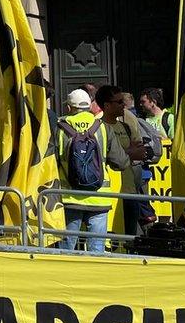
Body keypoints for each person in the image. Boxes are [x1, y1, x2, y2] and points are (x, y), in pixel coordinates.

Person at [56, 89, 135, 252]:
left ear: (70, 108)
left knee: (65, 250)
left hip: (70, 199)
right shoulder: (103, 127)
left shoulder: (59, 127)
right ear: (89, 107)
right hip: (99, 198)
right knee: (97, 251)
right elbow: (120, 162)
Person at [95, 85, 147, 237]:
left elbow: (138, 150)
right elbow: (103, 156)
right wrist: (130, 153)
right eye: (119, 102)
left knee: (130, 237)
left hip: (129, 190)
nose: (123, 105)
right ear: (106, 105)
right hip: (109, 193)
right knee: (111, 240)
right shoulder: (97, 128)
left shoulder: (125, 126)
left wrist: (131, 153)